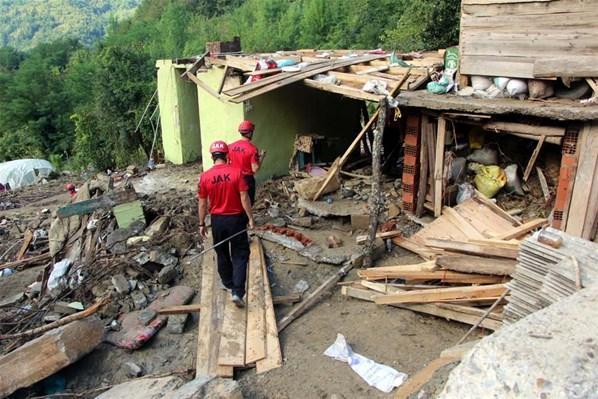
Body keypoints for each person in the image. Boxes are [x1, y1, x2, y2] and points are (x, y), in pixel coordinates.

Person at [198, 140, 255, 307]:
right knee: (240, 253)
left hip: (217, 221)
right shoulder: (237, 173)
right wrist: (250, 218)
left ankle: (228, 282)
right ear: (227, 155)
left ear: (212, 157)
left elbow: (202, 203)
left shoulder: (205, 177)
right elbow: (244, 197)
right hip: (236, 219)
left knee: (221, 252)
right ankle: (237, 291)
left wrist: (201, 224)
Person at [228, 120, 266, 204]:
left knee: (236, 202)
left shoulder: (230, 146)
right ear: (250, 133)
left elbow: (227, 162)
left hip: (233, 178)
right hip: (246, 180)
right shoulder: (252, 149)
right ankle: (246, 217)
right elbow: (255, 169)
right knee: (247, 203)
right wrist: (262, 157)